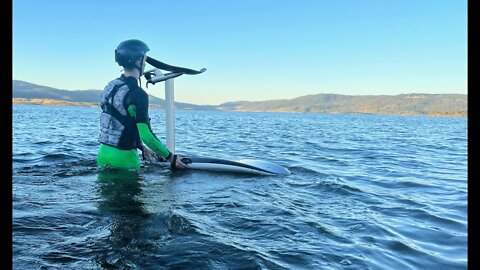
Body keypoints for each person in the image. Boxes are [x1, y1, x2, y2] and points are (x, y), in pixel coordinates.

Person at [97, 39, 189, 170]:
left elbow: (120, 122)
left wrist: (142, 148)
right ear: (137, 60)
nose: (145, 63)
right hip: (125, 161)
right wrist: (171, 158)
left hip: (102, 155)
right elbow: (146, 135)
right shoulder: (138, 94)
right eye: (144, 59)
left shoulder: (110, 86)